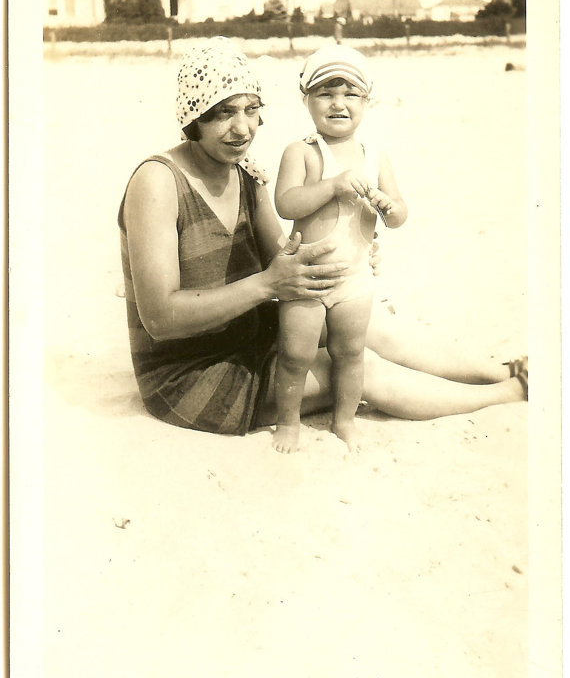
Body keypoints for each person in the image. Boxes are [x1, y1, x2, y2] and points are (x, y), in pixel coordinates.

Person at [118, 36, 527, 443]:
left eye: (250, 110)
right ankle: (509, 393)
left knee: (364, 329)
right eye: (223, 113)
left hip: (247, 333)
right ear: (194, 116)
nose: (241, 128)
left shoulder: (245, 174)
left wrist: (342, 250)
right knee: (358, 369)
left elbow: (287, 258)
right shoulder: (158, 181)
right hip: (191, 376)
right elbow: (159, 319)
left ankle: (503, 370)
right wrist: (267, 284)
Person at [272, 45, 407, 453]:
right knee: (295, 355)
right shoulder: (303, 152)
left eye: (350, 94)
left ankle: (344, 420)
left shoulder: (373, 155)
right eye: (326, 94)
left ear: (366, 101)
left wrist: (388, 206)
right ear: (307, 100)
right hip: (307, 277)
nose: (338, 104)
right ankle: (288, 424)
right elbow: (286, 203)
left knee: (350, 353)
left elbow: (400, 212)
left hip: (354, 277)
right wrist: (331, 185)